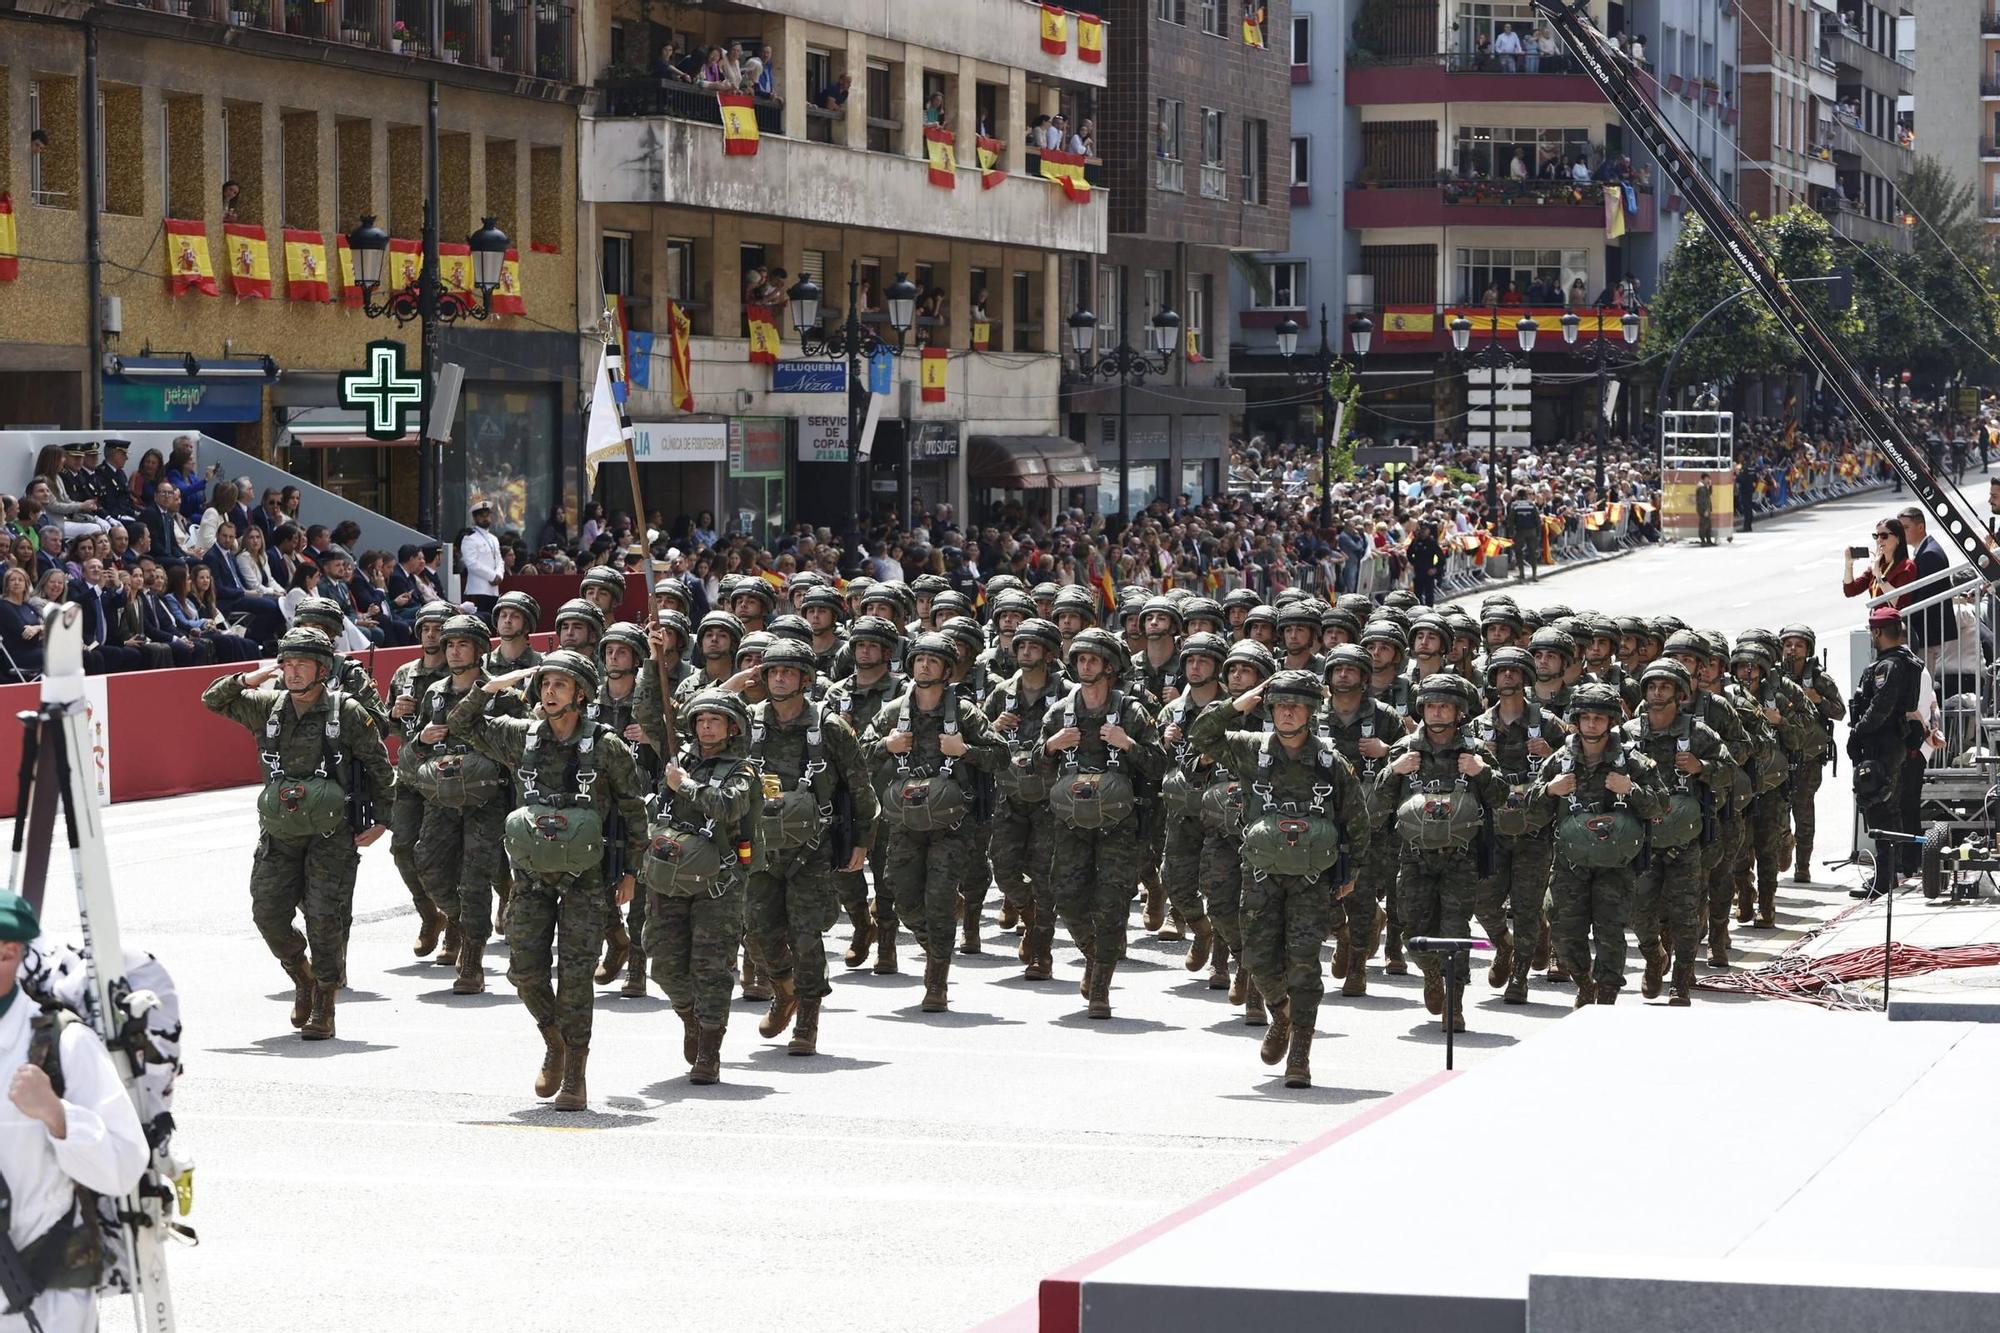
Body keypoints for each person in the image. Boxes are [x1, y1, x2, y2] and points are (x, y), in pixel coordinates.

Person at [447, 651, 648, 1111]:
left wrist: (633, 873)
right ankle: (553, 1039)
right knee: (524, 971)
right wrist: (494, 686)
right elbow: (461, 724)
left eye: (560, 684)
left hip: (586, 880)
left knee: (576, 978)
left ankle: (575, 1071)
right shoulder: (523, 737)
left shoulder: (605, 746)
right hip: (532, 878)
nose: (549, 691)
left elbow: (634, 810)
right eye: (545, 684)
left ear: (580, 693)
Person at [201, 631, 394, 1040]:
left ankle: (325, 1001)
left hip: (332, 833)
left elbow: (380, 767)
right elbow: (212, 700)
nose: (291, 672)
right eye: (287, 664)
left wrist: (383, 820)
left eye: (301, 664)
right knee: (268, 914)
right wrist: (248, 679)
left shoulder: (348, 712)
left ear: (322, 670)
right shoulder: (267, 707)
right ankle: (301, 975)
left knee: (326, 918)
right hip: (280, 832)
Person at [1192, 669, 1369, 1088]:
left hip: (1311, 881)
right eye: (1281, 704)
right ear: (1270, 709)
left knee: (1304, 964)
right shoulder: (1250, 750)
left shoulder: (1331, 763)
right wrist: (1240, 703)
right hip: (1261, 875)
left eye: (1297, 705)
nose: (1288, 712)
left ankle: (1301, 1054)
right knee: (1256, 958)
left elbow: (1357, 820)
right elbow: (1201, 737)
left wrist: (1352, 874)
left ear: (1310, 712)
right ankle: (1281, 1012)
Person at [0, 889, 150, 1333]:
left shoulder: (62, 1044)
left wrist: (58, 1115)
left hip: (44, 1291)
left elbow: (124, 1166)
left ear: (10, 951)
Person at [736, 641, 876, 1053]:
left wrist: (862, 843)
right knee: (756, 931)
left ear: (805, 679)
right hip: (759, 846)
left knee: (805, 935)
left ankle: (808, 1022)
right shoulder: (746, 721)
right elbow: (688, 721)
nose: (779, 678)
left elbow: (860, 787)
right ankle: (785, 989)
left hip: (811, 849)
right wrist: (731, 686)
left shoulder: (829, 728)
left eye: (788, 672)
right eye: (772, 671)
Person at [864, 633, 1008, 1007]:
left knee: (939, 901)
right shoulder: (893, 712)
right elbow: (858, 755)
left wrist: (965, 750)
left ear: (946, 670)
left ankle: (936, 980)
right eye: (919, 659)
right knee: (904, 898)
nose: (924, 665)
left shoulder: (965, 713)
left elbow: (1000, 756)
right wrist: (887, 746)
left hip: (952, 826)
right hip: (905, 822)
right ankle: (935, 944)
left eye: (933, 660)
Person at [1034, 629, 1164, 1021]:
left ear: (1109, 667)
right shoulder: (1059, 713)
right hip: (1070, 824)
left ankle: (1101, 987)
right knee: (1069, 899)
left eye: (1092, 659)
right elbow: (1035, 771)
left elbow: (1159, 765)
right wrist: (1052, 746)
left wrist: (1128, 744)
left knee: (1111, 907)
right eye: (1079, 659)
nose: (1084, 665)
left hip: (1119, 827)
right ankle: (1096, 955)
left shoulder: (1132, 712)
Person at [1375, 676, 1506, 1026]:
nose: (1436, 713)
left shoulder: (1476, 750)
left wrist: (1481, 773)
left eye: (1444, 706)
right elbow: (1376, 806)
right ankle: (1431, 973)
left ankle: (1455, 1002)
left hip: (1459, 857)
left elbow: (1501, 798)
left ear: (1458, 712)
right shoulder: (1403, 749)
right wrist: (1392, 772)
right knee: (1412, 932)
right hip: (1414, 856)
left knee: (1455, 930)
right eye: (1430, 706)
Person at [642, 690, 757, 1084]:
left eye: (716, 720)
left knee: (711, 968)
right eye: (701, 719)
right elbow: (649, 713)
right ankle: (689, 1015)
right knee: (664, 963)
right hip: (669, 876)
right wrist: (651, 663)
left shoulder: (742, 769)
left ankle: (709, 1049)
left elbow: (729, 806)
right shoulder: (680, 757)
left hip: (718, 885)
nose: (706, 726)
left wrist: (685, 785)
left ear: (732, 727)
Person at [408, 615, 525, 997]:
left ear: (479, 649)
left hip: (485, 801)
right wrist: (423, 739)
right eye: (450, 645)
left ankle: (473, 957)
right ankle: (457, 920)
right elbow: (414, 749)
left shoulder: (501, 692)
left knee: (475, 877)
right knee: (428, 867)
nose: (454, 651)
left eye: (462, 644)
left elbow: (520, 747)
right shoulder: (435, 693)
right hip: (440, 797)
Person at [1532, 682, 1667, 1006]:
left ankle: (1606, 993)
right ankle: (1584, 982)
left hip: (1615, 866)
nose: (1592, 724)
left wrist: (1630, 788)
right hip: (1571, 865)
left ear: (1611, 721)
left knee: (1610, 933)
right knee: (1564, 930)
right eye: (1586, 717)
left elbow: (1660, 805)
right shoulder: (1559, 762)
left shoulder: (1632, 762)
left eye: (1599, 718)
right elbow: (1532, 814)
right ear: (1576, 720)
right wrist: (1550, 790)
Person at [1623, 660, 1734, 1006]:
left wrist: (1702, 767)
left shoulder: (1698, 734)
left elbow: (1729, 772)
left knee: (1686, 914)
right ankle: (1654, 957)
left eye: (1665, 687)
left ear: (1679, 693)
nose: (1657, 693)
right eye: (1652, 687)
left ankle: (1681, 980)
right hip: (1642, 841)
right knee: (1640, 913)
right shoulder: (1628, 734)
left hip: (1685, 842)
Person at [1847, 606, 1923, 901]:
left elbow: (1881, 706)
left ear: (1877, 632)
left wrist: (1859, 732)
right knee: (1887, 808)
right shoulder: (1900, 662)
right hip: (1888, 741)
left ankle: (1883, 879)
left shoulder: (1889, 666)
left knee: (1879, 808)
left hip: (1882, 743)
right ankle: (1889, 874)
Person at [1843, 516, 1917, 604]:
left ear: (1898, 539)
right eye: (1876, 536)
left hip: (1893, 617)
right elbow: (1850, 591)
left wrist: (1878, 575)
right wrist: (1848, 565)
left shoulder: (1907, 566)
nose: (1879, 540)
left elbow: (1898, 601)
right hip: (1877, 616)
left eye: (1884, 536)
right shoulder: (1878, 564)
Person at [460, 501, 505, 617]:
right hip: (478, 589)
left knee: (493, 621)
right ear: (475, 518)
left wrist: (499, 575)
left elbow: (499, 560)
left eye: (487, 515)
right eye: (481, 516)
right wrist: (492, 576)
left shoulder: (493, 538)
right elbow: (471, 563)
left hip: (494, 589)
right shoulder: (469, 538)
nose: (485, 518)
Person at [0, 566, 44, 681]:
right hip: (18, 655)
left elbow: (45, 626)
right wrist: (41, 630)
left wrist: (38, 628)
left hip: (37, 649)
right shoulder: (4, 606)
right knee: (62, 654)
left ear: (26, 585)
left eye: (20, 580)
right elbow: (25, 635)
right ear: (7, 585)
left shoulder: (28, 605)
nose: (16, 582)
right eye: (12, 580)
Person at [1694, 473, 1714, 546]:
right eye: (1707, 479)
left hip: (1706, 509)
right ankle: (1703, 541)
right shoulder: (1701, 488)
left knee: (1708, 525)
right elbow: (1702, 500)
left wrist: (1710, 486)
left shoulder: (1704, 487)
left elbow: (1709, 494)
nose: (1708, 480)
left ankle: (1708, 540)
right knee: (1703, 525)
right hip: (1703, 509)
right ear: (1703, 479)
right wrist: (1705, 510)